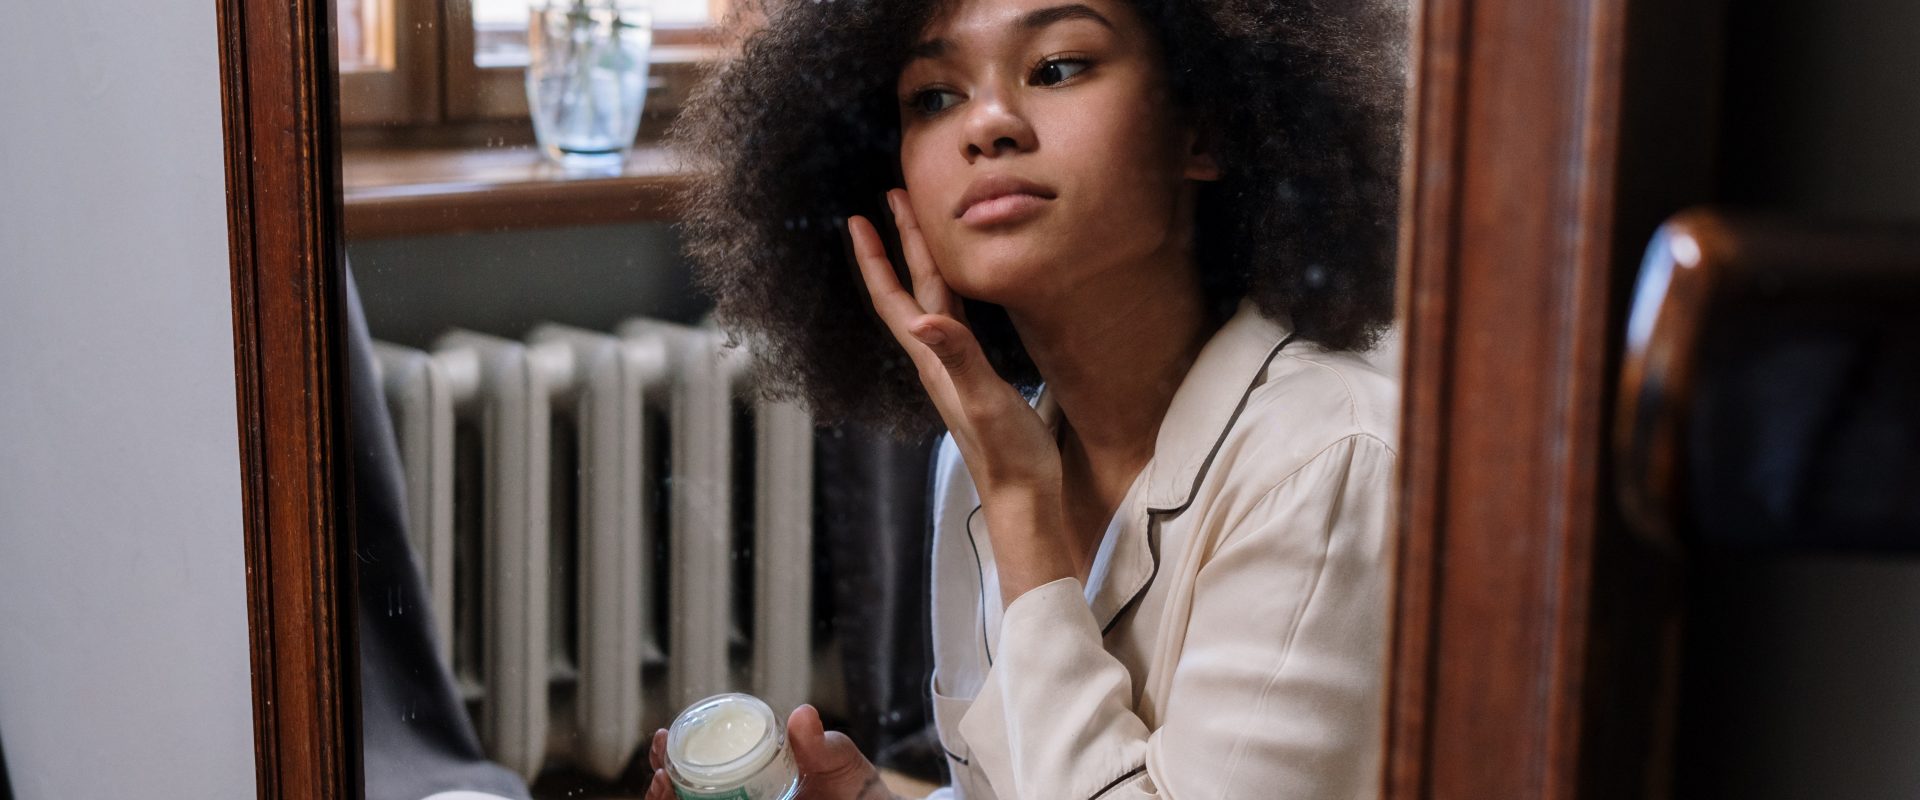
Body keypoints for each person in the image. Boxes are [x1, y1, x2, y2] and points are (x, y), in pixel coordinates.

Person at [653, 0, 1406, 796]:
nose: (987, 125)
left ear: (1205, 127)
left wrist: (1021, 510)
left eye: (1056, 67)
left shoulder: (1328, 464)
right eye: (934, 97)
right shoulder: (979, 456)